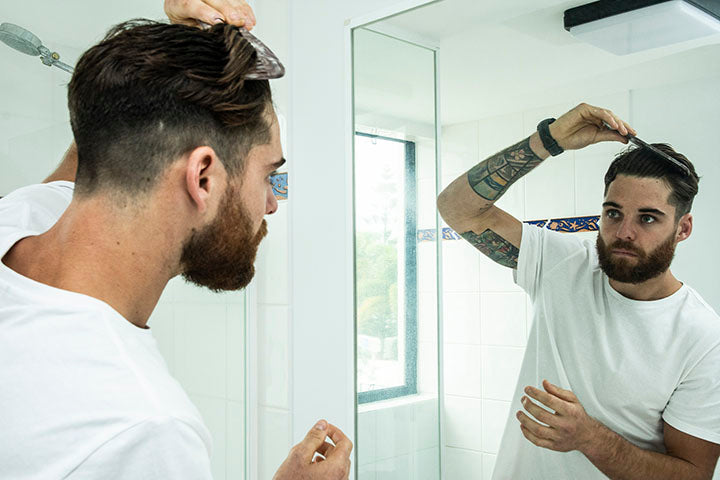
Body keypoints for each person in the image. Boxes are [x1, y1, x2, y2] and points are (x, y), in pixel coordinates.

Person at [0, 2, 352, 479]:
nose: (271, 204)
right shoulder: (142, 429)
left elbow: (108, 136)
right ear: (203, 176)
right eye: (269, 175)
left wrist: (177, 49)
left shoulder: (20, 218)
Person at [437, 103, 720, 479]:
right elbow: (457, 208)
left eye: (647, 218)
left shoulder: (703, 339)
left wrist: (590, 438)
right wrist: (548, 140)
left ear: (683, 228)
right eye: (613, 213)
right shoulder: (565, 264)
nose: (623, 233)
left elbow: (692, 474)